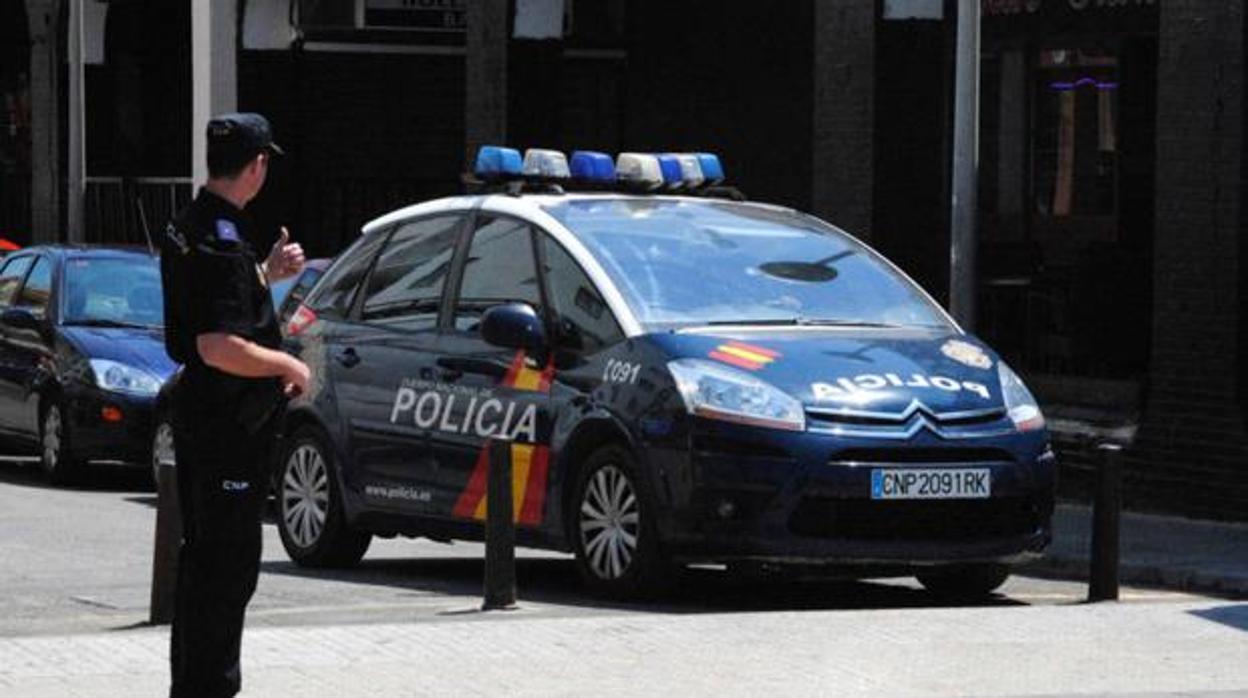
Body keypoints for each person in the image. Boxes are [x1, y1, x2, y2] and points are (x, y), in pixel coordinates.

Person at [160, 112, 310, 697]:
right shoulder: (222, 237)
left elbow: (211, 304)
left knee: (202, 569)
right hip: (228, 430)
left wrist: (265, 275)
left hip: (204, 420)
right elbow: (217, 344)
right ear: (258, 165)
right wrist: (289, 366)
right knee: (225, 573)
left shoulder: (191, 223)